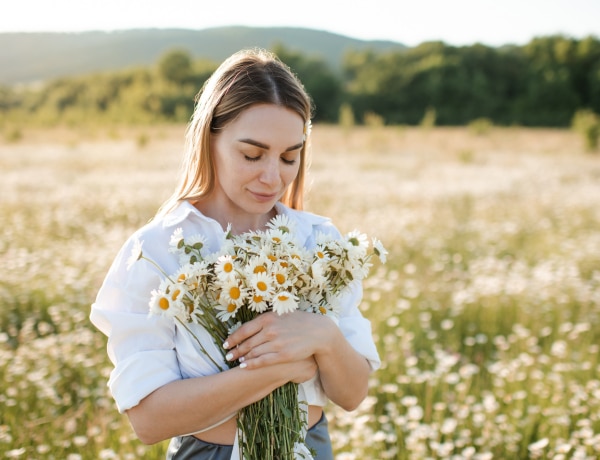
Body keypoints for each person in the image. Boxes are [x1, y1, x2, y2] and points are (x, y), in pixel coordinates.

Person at [90, 48, 381, 459]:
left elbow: (352, 395)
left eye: (289, 158)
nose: (272, 176)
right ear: (211, 139)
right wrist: (284, 368)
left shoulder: (318, 240)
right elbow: (149, 420)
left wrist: (323, 337)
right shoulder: (156, 251)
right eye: (252, 154)